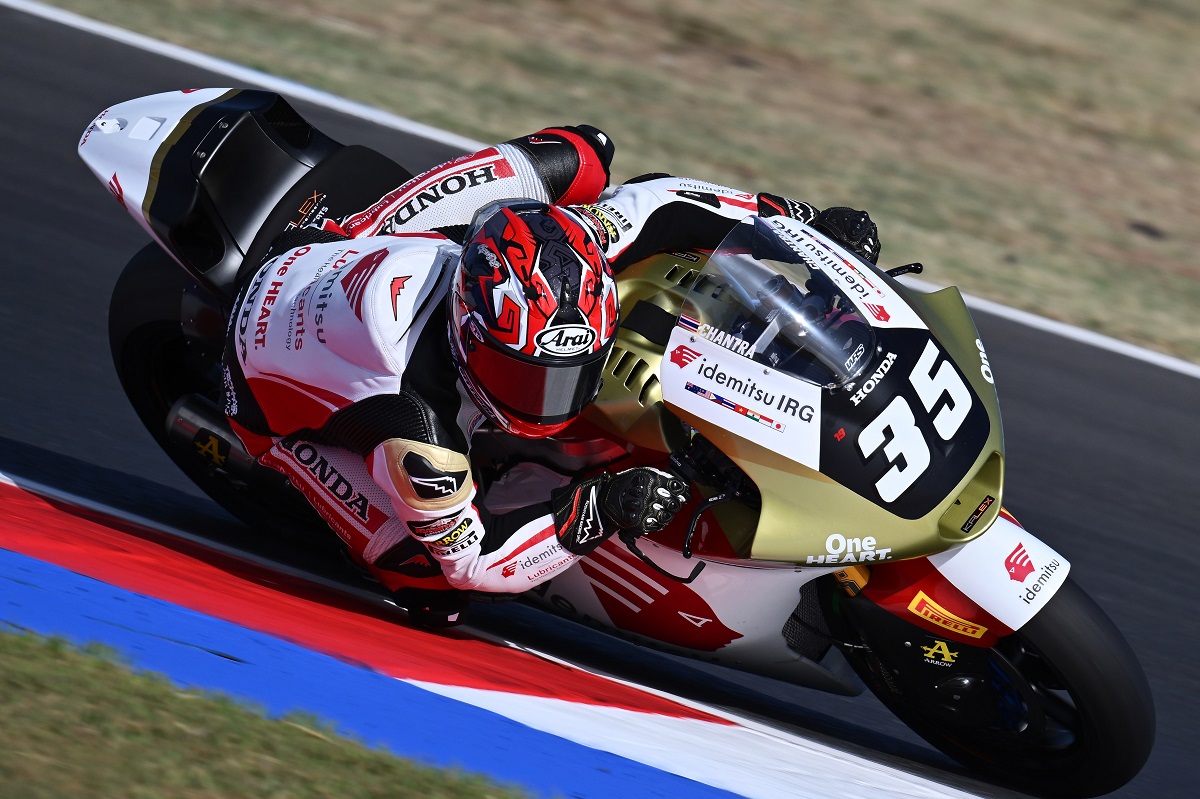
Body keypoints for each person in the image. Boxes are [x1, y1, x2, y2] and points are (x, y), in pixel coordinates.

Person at [221, 124, 880, 626]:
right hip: (258, 378)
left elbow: (663, 200)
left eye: (569, 373)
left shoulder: (578, 241)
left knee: (584, 151)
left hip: (359, 242)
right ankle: (271, 454)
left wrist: (802, 223)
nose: (552, 401)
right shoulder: (418, 429)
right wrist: (599, 506)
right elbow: (475, 561)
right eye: (527, 377)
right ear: (471, 337)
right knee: (432, 589)